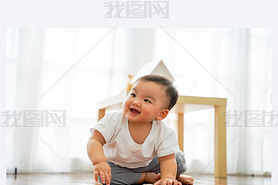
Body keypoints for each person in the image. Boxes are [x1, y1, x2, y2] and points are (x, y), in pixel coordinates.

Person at [87, 74, 194, 185]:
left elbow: (167, 159)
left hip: (148, 163)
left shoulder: (164, 132)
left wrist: (168, 177)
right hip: (118, 165)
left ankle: (173, 177)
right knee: (104, 177)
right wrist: (99, 162)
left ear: (161, 114)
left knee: (177, 157)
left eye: (147, 100)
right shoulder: (113, 120)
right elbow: (95, 140)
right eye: (133, 94)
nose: (136, 102)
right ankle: (144, 177)